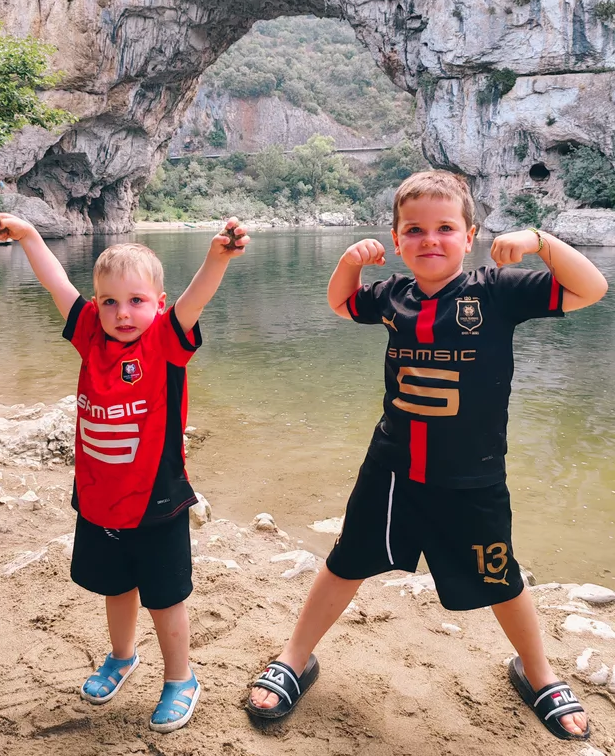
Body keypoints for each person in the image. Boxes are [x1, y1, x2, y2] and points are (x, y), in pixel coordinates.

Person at [246, 170, 606, 742]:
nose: (430, 240)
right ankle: (295, 658)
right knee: (346, 561)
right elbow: (341, 304)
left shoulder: (499, 289)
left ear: (470, 236)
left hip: (473, 477)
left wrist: (541, 241)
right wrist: (349, 261)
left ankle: (538, 675)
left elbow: (591, 289)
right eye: (414, 230)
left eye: (445, 228)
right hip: (391, 469)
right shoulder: (393, 295)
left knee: (501, 576)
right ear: (396, 238)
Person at [0, 211, 249, 733]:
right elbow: (56, 282)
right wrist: (29, 235)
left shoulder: (166, 342)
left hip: (156, 499)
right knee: (116, 586)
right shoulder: (89, 334)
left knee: (165, 597)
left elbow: (197, 296)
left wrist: (217, 256)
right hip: (99, 498)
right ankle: (122, 656)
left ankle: (181, 679)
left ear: (158, 303)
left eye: (136, 301)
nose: (122, 313)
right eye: (110, 301)